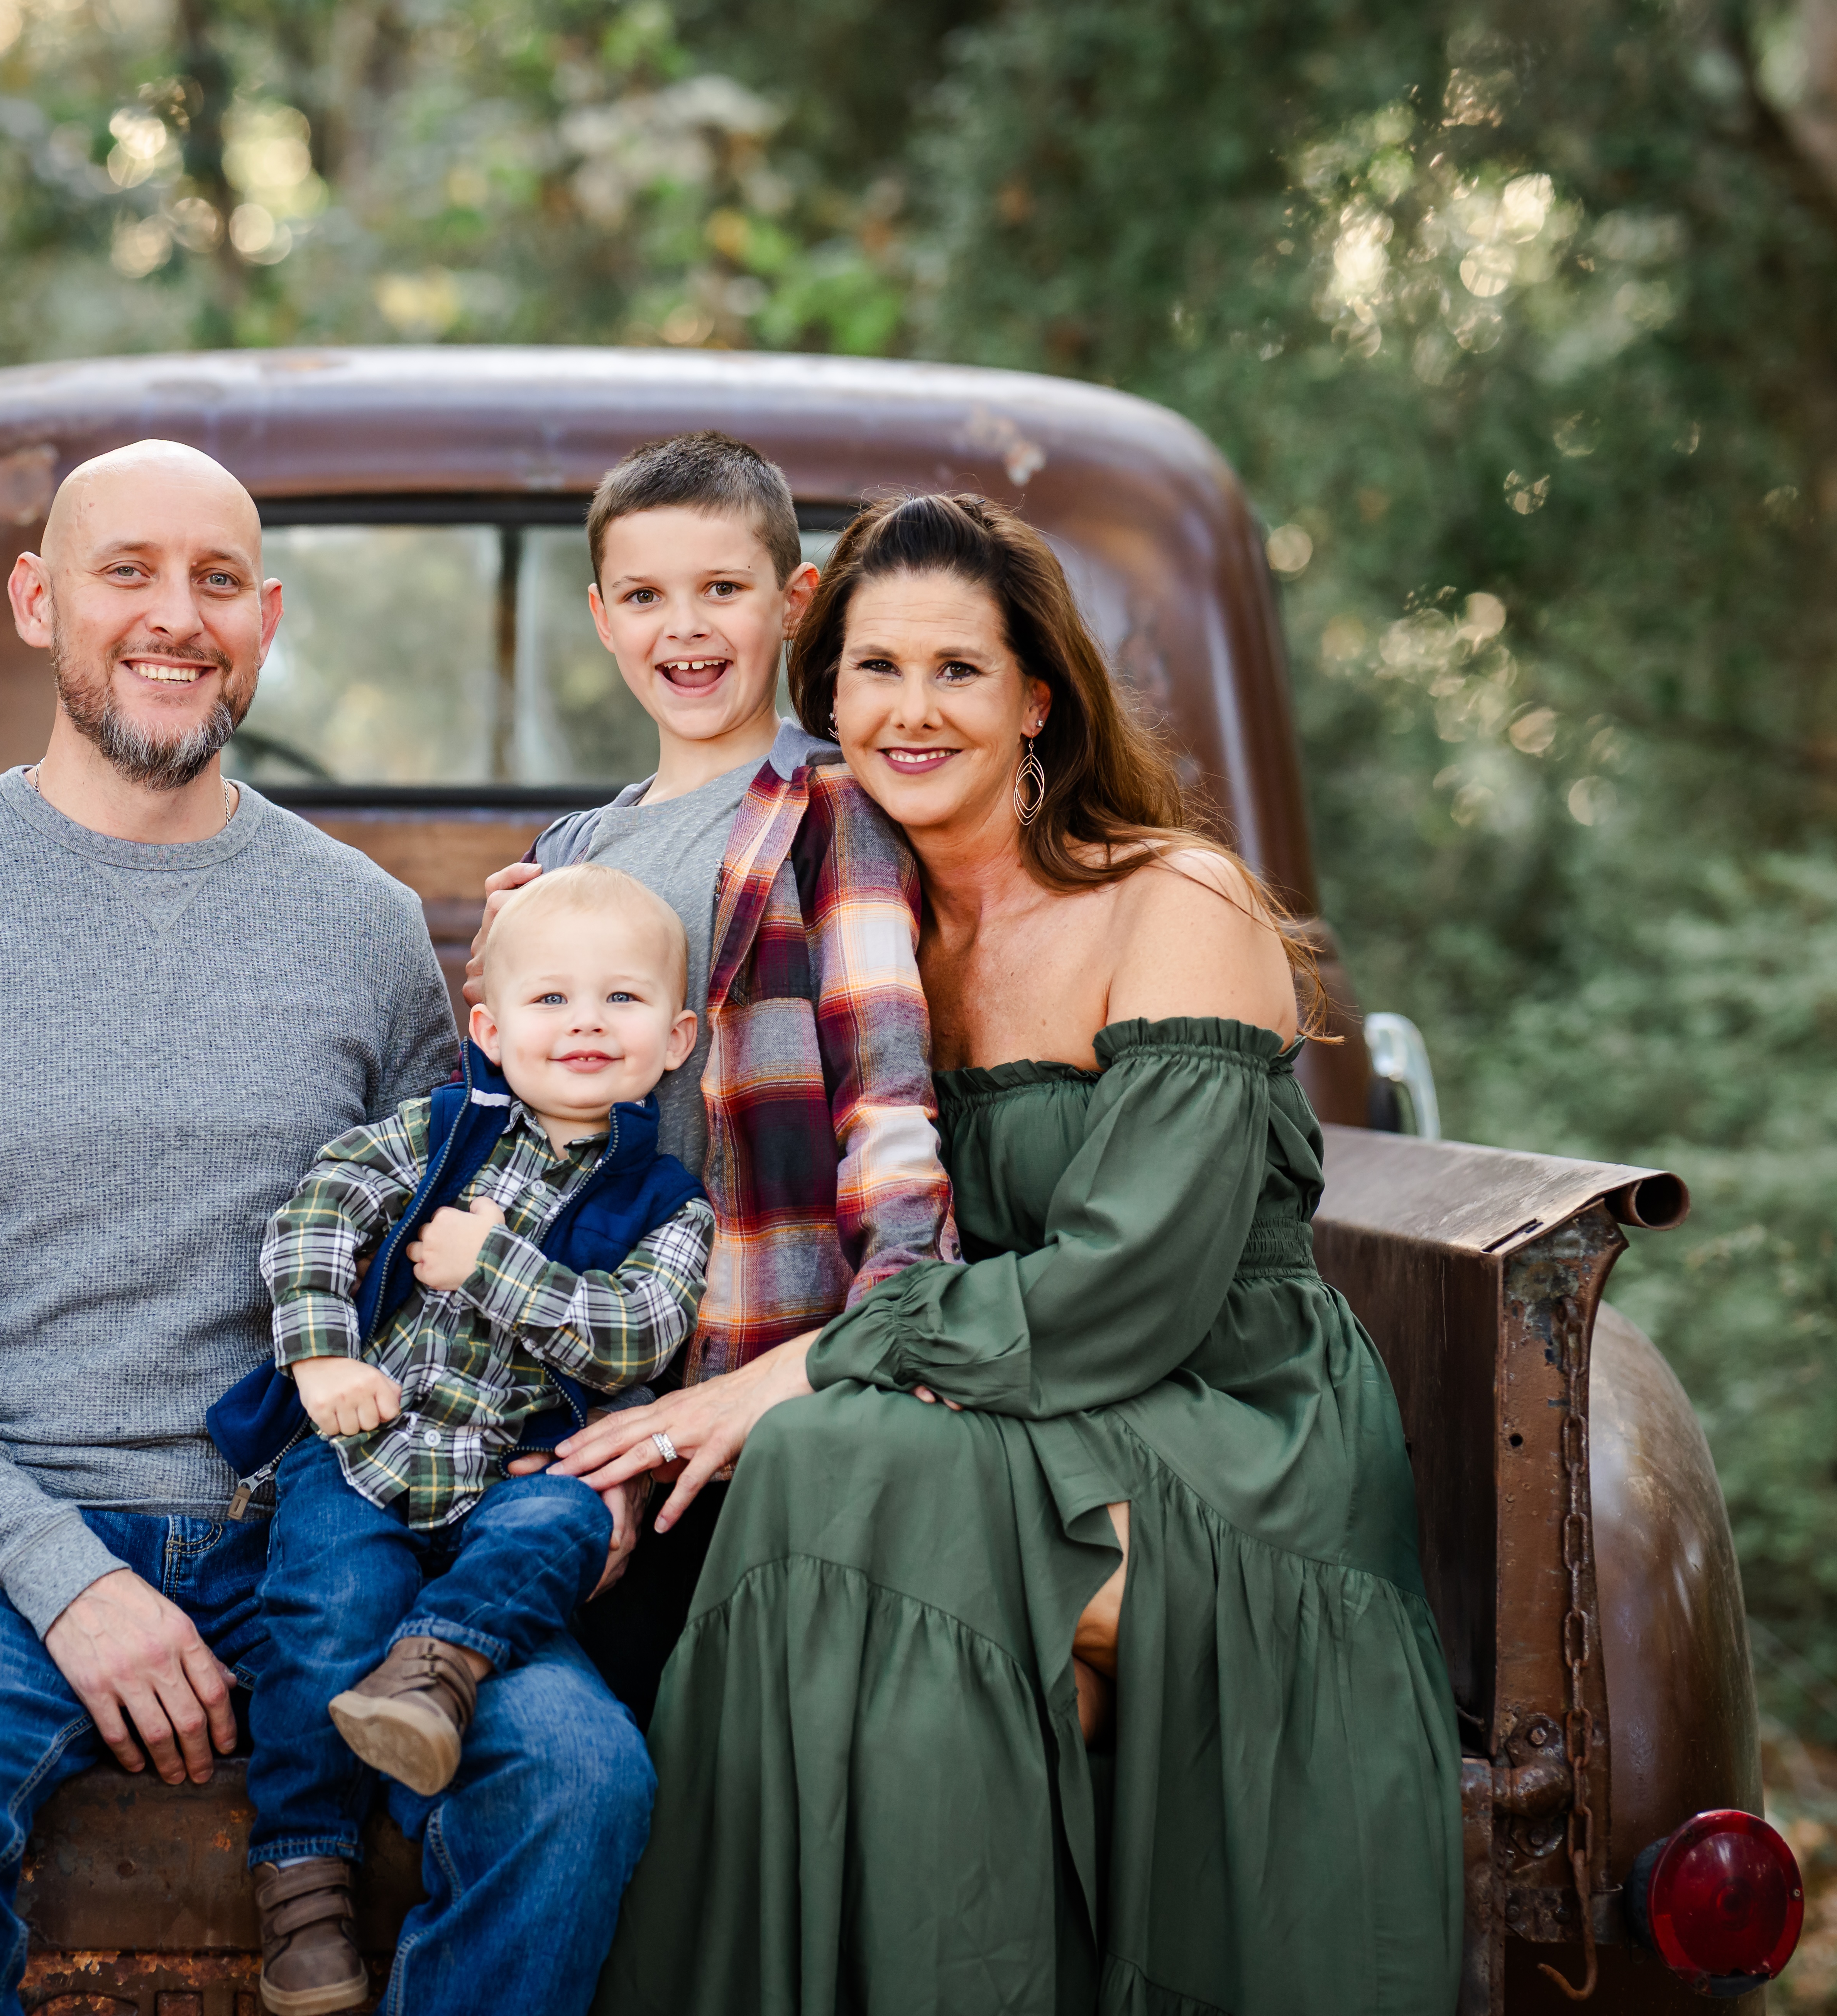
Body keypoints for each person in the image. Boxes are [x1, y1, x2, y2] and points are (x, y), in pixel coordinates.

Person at [0, 439, 656, 2016]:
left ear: (267, 619)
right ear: (39, 600)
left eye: (217, 580)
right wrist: (62, 1576)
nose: (175, 617)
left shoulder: (365, 924)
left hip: (331, 1531)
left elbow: (443, 1250)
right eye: (128, 571)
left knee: (580, 1776)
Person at [574, 493, 1462, 2015]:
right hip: (1003, 1403)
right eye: (873, 672)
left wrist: (808, 1365)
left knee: (823, 1456)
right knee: (828, 1501)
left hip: (1230, 1422)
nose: (910, 712)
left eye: (958, 671)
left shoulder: (1169, 898)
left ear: (1035, 695)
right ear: (827, 695)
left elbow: (1136, 1286)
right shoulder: (865, 924)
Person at [465, 432, 954, 1718]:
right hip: (573, 1382)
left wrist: (875, 1334)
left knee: (704, 1752)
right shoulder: (578, 842)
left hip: (739, 1396)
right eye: (644, 595)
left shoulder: (828, 811)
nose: (683, 627)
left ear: (793, 602)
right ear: (602, 617)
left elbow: (886, 1097)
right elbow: (527, 1115)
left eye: (721, 589)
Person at [222, 864, 716, 2015]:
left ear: (679, 1035)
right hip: (370, 1446)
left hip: (513, 1473)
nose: (586, 1022)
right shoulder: (442, 1133)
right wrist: (320, 1356)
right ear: (487, 1029)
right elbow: (321, 1206)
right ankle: (302, 1873)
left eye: (622, 1001)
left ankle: (437, 1668)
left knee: (572, 1515)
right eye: (550, 1001)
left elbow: (637, 1334)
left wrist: (490, 1267)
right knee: (327, 1598)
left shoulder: (668, 1201)